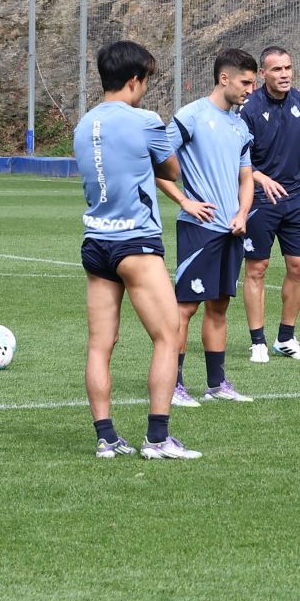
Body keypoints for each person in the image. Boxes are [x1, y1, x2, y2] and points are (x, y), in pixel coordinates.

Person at [73, 40, 201, 460]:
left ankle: (106, 437)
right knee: (168, 337)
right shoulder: (145, 119)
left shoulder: (83, 124)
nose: (146, 88)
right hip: (136, 242)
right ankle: (158, 438)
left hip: (96, 242)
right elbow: (172, 169)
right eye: (145, 80)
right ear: (133, 80)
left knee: (99, 345)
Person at [158, 49, 258, 406]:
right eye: (246, 82)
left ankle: (217, 384)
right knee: (185, 308)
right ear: (224, 78)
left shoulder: (239, 125)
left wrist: (243, 212)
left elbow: (246, 177)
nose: (251, 89)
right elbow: (157, 164)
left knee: (218, 306)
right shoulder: (192, 116)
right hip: (198, 229)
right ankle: (174, 384)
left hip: (231, 230)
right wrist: (185, 201)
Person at [240, 46, 300, 364]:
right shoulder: (248, 108)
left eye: (288, 67)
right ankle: (258, 342)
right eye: (277, 69)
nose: (285, 74)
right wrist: (261, 179)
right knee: (257, 269)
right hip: (259, 199)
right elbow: (239, 160)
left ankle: (286, 338)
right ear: (262, 74)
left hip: (294, 198)